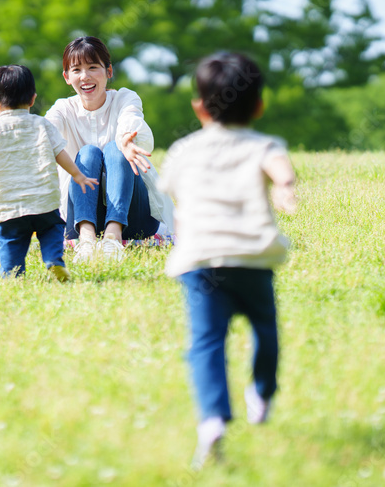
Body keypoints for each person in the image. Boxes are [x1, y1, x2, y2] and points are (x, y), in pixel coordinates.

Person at [157, 52, 297, 469]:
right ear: (259, 105)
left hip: (200, 262)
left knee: (206, 343)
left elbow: (171, 191)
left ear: (198, 107)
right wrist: (286, 185)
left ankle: (213, 420)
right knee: (264, 328)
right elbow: (278, 166)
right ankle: (262, 391)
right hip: (252, 258)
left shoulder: (183, 150)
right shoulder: (264, 145)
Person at [0, 65, 97, 280]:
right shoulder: (42, 125)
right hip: (44, 203)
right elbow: (60, 154)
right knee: (51, 231)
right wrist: (77, 174)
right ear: (33, 99)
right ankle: (54, 262)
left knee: (11, 242)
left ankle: (11, 273)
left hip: (11, 208)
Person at [44, 35, 174, 263]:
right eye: (76, 70)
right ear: (66, 77)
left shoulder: (125, 98)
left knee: (116, 149)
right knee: (88, 153)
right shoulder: (63, 109)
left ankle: (113, 238)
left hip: (135, 220)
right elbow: (43, 135)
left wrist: (126, 139)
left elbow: (130, 119)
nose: (85, 76)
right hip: (79, 219)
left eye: (93, 67)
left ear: (109, 71)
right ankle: (87, 241)